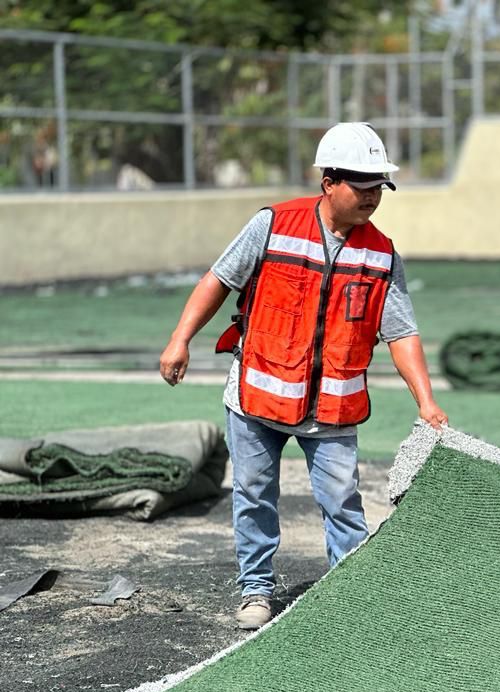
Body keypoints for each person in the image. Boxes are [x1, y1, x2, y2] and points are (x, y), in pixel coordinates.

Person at [160, 122, 447, 630]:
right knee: (253, 494)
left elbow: (401, 332)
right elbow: (219, 279)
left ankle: (348, 594)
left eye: (379, 187)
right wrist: (181, 338)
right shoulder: (272, 225)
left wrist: (425, 401)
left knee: (342, 502)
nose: (372, 198)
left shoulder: (381, 254)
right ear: (328, 182)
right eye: (361, 187)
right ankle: (255, 589)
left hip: (333, 406)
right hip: (258, 395)